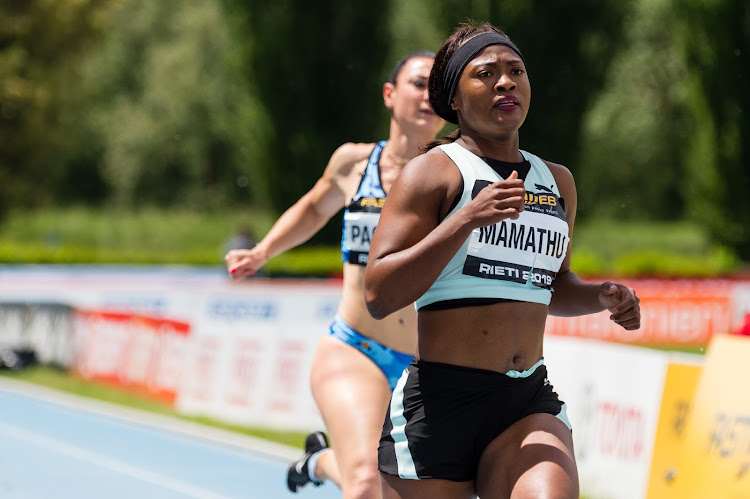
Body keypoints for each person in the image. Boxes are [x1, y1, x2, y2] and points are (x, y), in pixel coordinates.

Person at [364, 22, 641, 499]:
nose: (506, 82)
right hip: (439, 404)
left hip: (526, 400)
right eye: (486, 73)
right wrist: (465, 220)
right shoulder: (432, 173)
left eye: (516, 71)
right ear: (454, 97)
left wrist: (600, 296)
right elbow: (378, 293)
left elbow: (551, 286)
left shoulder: (557, 181)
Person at [225, 51, 445, 497]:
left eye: (439, 89)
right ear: (389, 94)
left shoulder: (454, 176)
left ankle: (321, 461)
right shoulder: (353, 164)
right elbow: (312, 209)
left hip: (425, 369)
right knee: (365, 483)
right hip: (355, 349)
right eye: (419, 84)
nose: (429, 97)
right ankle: (336, 462)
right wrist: (263, 251)